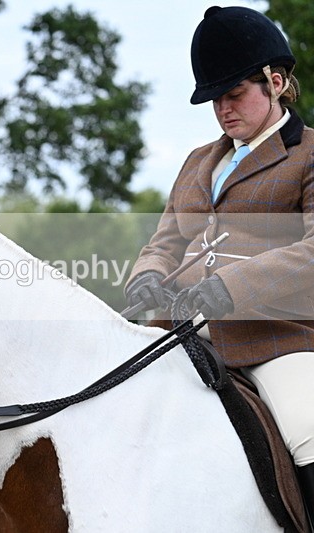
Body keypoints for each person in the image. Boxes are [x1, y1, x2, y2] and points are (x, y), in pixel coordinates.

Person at [124, 5, 314, 526]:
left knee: (308, 429)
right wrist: (147, 276)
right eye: (215, 100)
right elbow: (165, 240)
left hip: (274, 335)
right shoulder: (197, 161)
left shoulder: (309, 156)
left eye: (235, 95)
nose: (224, 110)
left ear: (275, 82)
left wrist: (232, 285)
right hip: (178, 327)